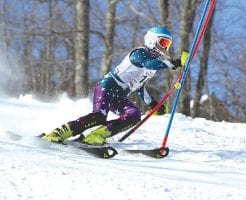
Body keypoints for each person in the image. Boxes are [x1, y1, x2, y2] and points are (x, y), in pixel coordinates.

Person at [42, 26, 186, 145]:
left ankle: (96, 136)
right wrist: (175, 63)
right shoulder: (140, 54)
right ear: (151, 40)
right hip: (108, 86)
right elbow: (150, 63)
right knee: (99, 116)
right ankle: (59, 132)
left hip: (120, 95)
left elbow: (139, 86)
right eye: (163, 43)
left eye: (167, 45)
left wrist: (153, 104)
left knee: (133, 115)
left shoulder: (152, 67)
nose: (164, 48)